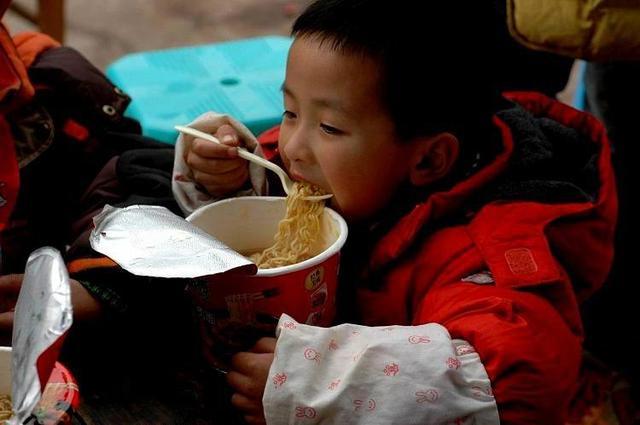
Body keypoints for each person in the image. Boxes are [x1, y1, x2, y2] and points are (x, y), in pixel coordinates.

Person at [182, 1, 616, 424]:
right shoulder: (343, 165)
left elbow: (521, 373)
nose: (292, 147)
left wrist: (323, 387)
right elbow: (275, 165)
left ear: (428, 161)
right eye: (291, 111)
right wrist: (230, 179)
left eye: (328, 127)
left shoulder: (487, 249)